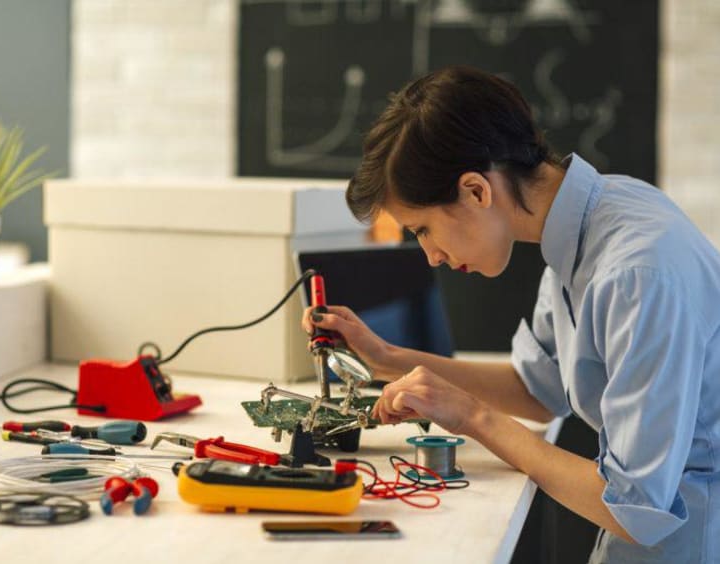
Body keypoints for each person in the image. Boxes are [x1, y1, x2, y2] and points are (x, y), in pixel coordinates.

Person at [301, 66, 720, 563]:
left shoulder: (633, 272)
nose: (431, 255)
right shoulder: (590, 219)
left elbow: (633, 508)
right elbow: (539, 391)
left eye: (423, 229)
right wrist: (384, 358)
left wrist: (475, 418)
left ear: (476, 190)